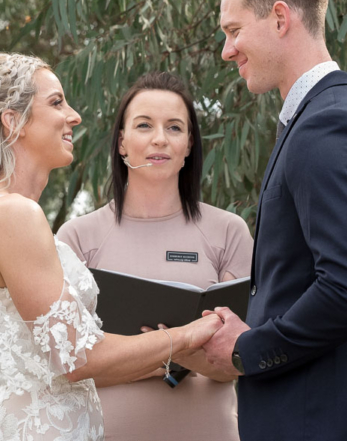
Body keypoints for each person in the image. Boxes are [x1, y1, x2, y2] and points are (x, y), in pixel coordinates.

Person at [0, 53, 222, 441]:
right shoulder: (13, 214)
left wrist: (165, 357)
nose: (74, 116)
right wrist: (186, 335)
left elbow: (57, 361)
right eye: (56, 103)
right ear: (12, 121)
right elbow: (78, 358)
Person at [200, 0, 347, 440]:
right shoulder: (318, 119)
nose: (227, 50)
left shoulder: (327, 124)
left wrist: (247, 349)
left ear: (280, 19)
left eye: (234, 30)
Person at [57, 72, 253, 441]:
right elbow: (70, 365)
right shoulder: (77, 238)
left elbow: (237, 361)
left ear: (189, 144)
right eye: (144, 125)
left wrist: (143, 353)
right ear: (122, 142)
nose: (160, 138)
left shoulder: (229, 232)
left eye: (174, 127)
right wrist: (185, 345)